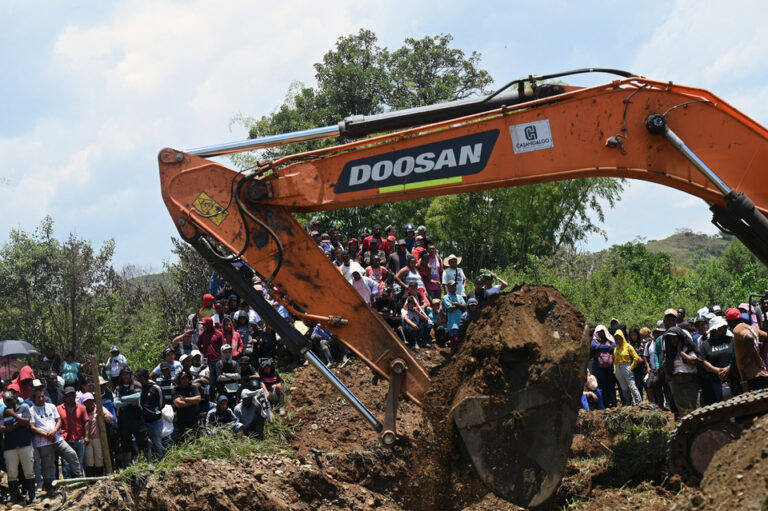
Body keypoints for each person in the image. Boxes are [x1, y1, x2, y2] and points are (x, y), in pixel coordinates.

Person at [29, 388, 82, 496]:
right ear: (33, 398)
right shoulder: (31, 410)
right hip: (43, 442)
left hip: (57, 439)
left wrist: (53, 432)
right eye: (38, 397)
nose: (41, 399)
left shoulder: (51, 406)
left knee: (71, 454)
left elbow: (59, 421)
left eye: (42, 396)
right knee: (49, 466)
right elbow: (33, 428)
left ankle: (79, 479)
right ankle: (50, 489)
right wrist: (47, 435)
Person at [1, 390, 36, 504]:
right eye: (6, 401)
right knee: (12, 473)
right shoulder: (2, 414)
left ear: (15, 399)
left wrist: (13, 415)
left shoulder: (24, 409)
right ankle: (15, 498)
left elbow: (26, 422)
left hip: (25, 444)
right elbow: (2, 429)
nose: (8, 403)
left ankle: (32, 496)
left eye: (10, 400)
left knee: (29, 471)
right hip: (10, 447)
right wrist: (17, 424)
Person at [114, 365, 147, 468]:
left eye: (127, 374)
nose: (125, 376)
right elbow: (116, 403)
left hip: (137, 418)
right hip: (124, 420)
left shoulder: (137, 384)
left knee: (142, 441)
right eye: (123, 374)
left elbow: (137, 397)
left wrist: (122, 399)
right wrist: (129, 401)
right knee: (125, 444)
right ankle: (127, 467)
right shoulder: (118, 387)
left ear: (130, 375)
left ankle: (148, 462)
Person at [663, 326, 699, 418]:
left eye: (674, 337)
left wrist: (680, 352)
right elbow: (666, 365)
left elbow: (693, 361)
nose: (672, 340)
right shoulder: (670, 351)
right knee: (682, 408)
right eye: (670, 338)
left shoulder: (689, 348)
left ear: (680, 337)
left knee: (693, 406)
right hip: (676, 381)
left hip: (689, 380)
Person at [699, 315, 734, 405]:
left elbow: (737, 355)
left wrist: (729, 367)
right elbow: (703, 361)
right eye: (722, 327)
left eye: (725, 326)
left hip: (734, 379)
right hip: (716, 381)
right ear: (715, 329)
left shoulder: (731, 340)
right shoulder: (706, 345)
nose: (725, 328)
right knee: (722, 405)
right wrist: (717, 371)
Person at [57, 386, 89, 477]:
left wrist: (87, 436)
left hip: (79, 439)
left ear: (75, 396)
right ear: (65, 397)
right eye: (68, 396)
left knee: (79, 462)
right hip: (65, 440)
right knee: (66, 463)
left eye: (72, 395)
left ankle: (79, 483)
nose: (71, 397)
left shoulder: (82, 408)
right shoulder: (58, 409)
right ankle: (68, 485)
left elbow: (86, 421)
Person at [135, 369, 164, 461]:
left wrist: (154, 412)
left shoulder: (155, 387)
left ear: (142, 378)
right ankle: (149, 462)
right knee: (145, 443)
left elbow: (161, 403)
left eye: (137, 378)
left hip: (155, 421)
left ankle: (160, 461)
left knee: (157, 443)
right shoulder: (138, 389)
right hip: (143, 422)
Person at [81, 392, 113, 477]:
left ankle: (100, 477)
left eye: (90, 401)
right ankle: (91, 479)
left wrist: (102, 414)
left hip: (98, 438)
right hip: (87, 439)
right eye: (86, 401)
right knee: (89, 459)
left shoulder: (99, 408)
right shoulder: (83, 411)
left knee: (99, 458)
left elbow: (110, 418)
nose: (89, 403)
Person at [198, 316, 225, 398]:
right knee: (211, 381)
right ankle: (212, 398)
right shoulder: (202, 334)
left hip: (218, 361)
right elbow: (199, 344)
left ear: (209, 324)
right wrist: (204, 352)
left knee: (219, 380)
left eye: (204, 324)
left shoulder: (218, 334)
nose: (203, 326)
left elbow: (223, 347)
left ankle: (221, 397)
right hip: (208, 361)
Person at [612, 330, 642, 406]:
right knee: (624, 388)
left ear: (622, 338)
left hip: (626, 366)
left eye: (619, 338)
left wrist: (631, 368)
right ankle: (629, 403)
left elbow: (636, 358)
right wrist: (615, 370)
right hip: (618, 368)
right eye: (616, 339)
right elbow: (615, 361)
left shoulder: (628, 346)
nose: (617, 340)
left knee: (632, 386)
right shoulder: (615, 349)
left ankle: (639, 403)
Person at [590, 325, 617, 408]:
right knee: (602, 386)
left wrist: (601, 348)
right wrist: (606, 347)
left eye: (602, 332)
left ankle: (614, 403)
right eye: (599, 333)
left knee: (611, 386)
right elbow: (595, 347)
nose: (601, 334)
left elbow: (613, 347)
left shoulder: (610, 340)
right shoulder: (595, 341)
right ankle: (605, 404)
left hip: (610, 368)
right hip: (599, 368)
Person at [172, 370, 202, 441]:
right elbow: (179, 404)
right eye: (182, 378)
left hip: (194, 419)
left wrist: (185, 398)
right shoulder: (175, 390)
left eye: (186, 378)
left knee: (196, 439)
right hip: (182, 421)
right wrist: (192, 402)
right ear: (179, 380)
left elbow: (198, 399)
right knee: (184, 440)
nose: (185, 380)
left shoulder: (193, 387)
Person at [442, 280, 466, 348]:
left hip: (461, 322)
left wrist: (456, 304)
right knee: (454, 341)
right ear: (448, 288)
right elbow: (450, 308)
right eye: (452, 286)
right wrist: (459, 304)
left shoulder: (459, 296)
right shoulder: (446, 297)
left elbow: (465, 307)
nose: (454, 287)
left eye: (455, 286)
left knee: (461, 341)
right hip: (453, 323)